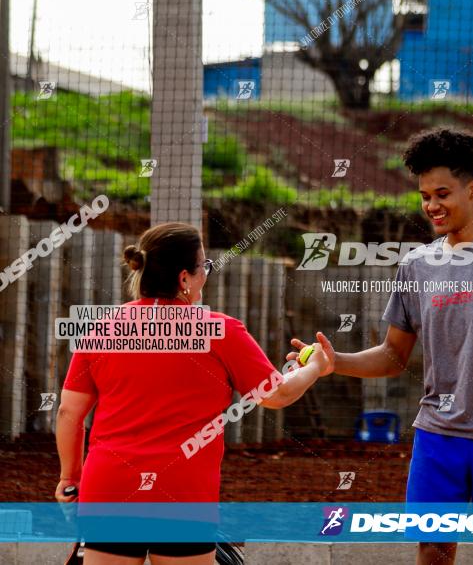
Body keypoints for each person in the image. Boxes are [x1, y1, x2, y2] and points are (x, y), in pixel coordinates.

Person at [290, 128, 473, 565]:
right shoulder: (417, 265)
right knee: (433, 549)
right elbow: (393, 355)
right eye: (424, 195)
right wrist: (336, 362)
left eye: (442, 193)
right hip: (438, 439)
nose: (432, 206)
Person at [56, 222, 330, 565]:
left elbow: (69, 414)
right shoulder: (221, 331)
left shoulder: (102, 329)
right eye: (205, 267)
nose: (206, 275)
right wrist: (315, 366)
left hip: (110, 488)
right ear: (184, 278)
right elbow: (277, 395)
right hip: (182, 493)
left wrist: (70, 476)